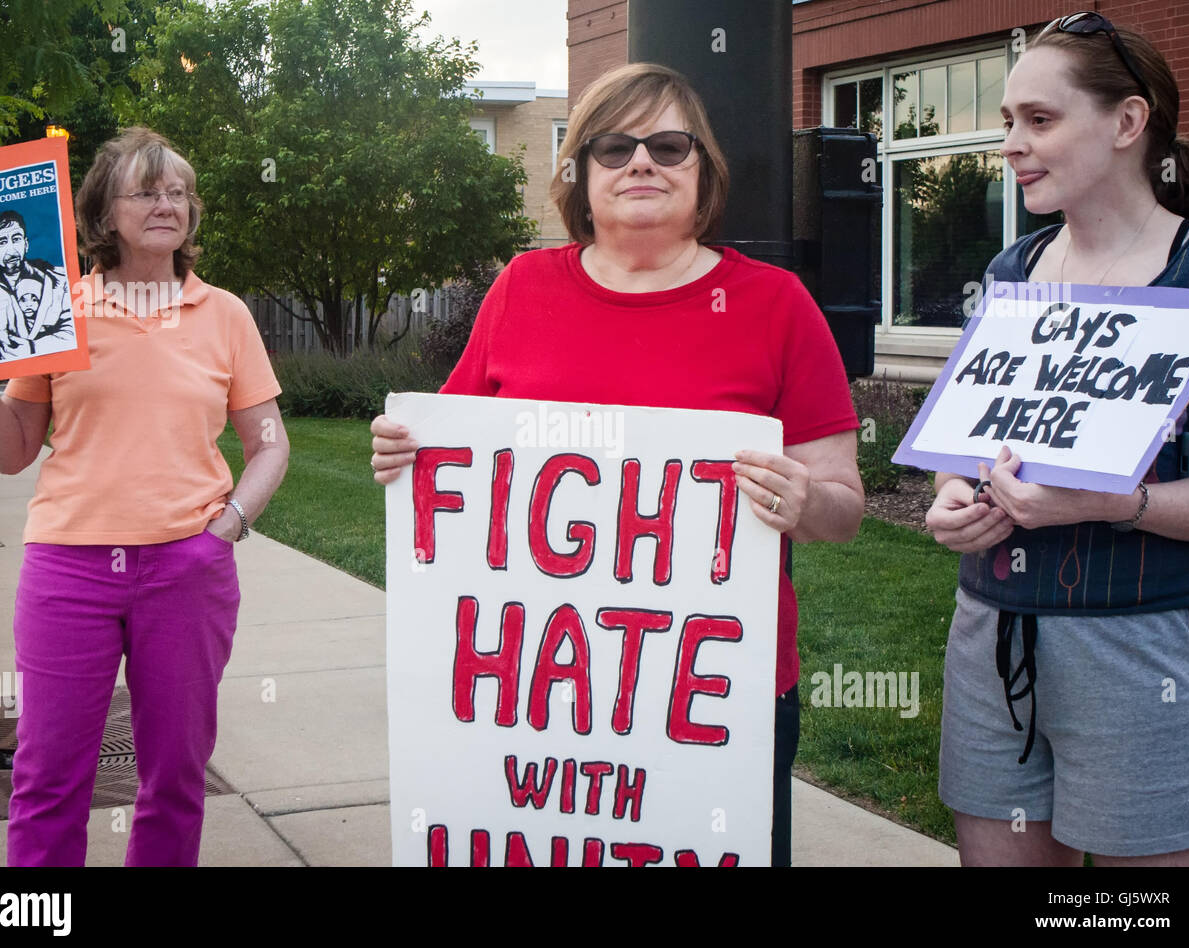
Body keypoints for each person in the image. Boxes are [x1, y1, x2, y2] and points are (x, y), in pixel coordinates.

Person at [370, 62, 864, 866]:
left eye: (670, 146)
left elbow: (845, 506)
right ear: (581, 172)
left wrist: (804, 499)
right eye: (613, 147)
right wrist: (405, 450)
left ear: (703, 172)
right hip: (534, 698)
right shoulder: (524, 288)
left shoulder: (776, 305)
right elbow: (452, 452)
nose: (642, 163)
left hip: (713, 695)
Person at [0, 126, 290, 866]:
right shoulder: (55, 307)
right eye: (147, 190)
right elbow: (10, 452)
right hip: (69, 570)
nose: (168, 203)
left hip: (187, 571)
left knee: (174, 776)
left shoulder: (224, 313)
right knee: (48, 776)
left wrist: (224, 528)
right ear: (103, 211)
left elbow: (269, 443)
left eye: (179, 192)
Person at [926, 13, 1189, 866]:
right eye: (1009, 120)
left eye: (1040, 120)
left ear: (1129, 124)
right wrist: (954, 502)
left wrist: (1122, 504)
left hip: (1139, 645)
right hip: (990, 633)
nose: (1011, 143)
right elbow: (965, 447)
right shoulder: (1012, 271)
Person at [0, 210, 74, 363]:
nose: (11, 250)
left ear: (26, 244)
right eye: (2, 242)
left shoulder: (59, 280)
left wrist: (33, 348)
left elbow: (71, 332)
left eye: (16, 239)